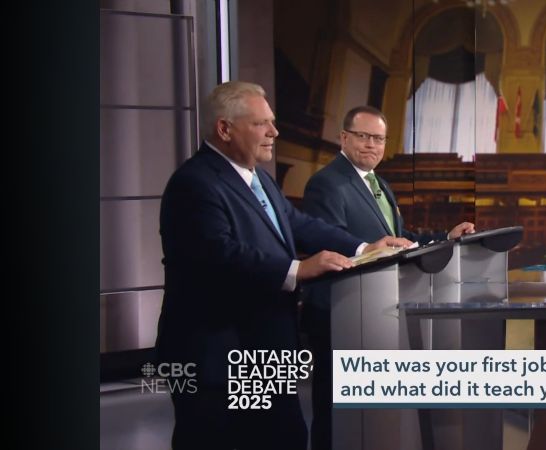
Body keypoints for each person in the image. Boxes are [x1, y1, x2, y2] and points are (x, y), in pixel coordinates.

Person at [156, 81, 408, 449]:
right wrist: (296, 270)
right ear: (225, 129)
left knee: (283, 436)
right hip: (219, 352)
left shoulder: (260, 180)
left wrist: (364, 247)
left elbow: (300, 224)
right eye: (262, 124)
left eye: (272, 122)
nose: (274, 131)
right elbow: (218, 255)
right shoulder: (194, 183)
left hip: (268, 346)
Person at [300, 105, 475, 449]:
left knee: (368, 412)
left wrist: (445, 238)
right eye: (363, 137)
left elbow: (399, 238)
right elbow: (323, 238)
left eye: (378, 138)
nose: (371, 145)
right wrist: (366, 248)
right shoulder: (327, 183)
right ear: (344, 138)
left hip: (376, 308)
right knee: (335, 408)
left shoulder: (379, 184)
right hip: (340, 310)